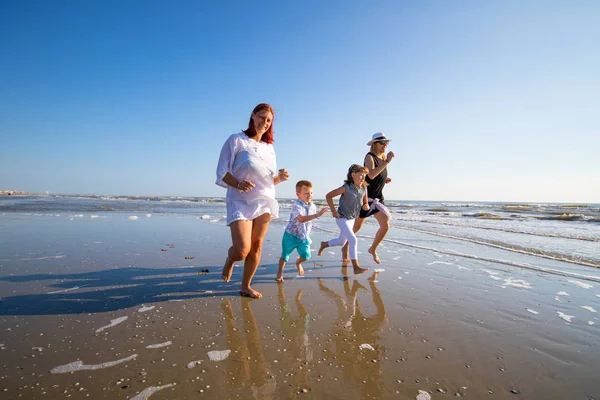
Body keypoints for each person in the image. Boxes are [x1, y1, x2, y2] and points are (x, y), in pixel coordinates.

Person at [215, 103, 289, 299]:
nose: (264, 123)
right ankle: (231, 259)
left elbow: (267, 179)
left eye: (268, 120)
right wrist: (238, 183)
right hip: (239, 199)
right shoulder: (236, 140)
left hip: (264, 199)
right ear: (252, 116)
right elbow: (222, 172)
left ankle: (245, 286)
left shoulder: (269, 148)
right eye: (261, 117)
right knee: (242, 250)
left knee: (257, 246)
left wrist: (279, 178)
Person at [342, 132, 394, 265]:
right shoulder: (369, 157)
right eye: (382, 143)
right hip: (365, 197)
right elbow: (370, 175)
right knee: (357, 227)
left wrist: (384, 179)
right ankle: (345, 246)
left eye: (386, 143)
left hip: (378, 197)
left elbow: (377, 176)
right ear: (374, 144)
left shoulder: (382, 158)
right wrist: (387, 161)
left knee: (385, 224)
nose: (385, 145)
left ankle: (372, 249)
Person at [318, 164, 370, 274]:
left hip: (352, 219)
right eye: (361, 175)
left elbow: (365, 201)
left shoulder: (363, 188)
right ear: (353, 174)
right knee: (353, 239)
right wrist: (334, 211)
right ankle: (356, 267)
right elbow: (329, 196)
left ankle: (324, 244)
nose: (362, 178)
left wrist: (366, 205)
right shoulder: (345, 188)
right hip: (341, 218)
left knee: (341, 242)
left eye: (364, 176)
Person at [276, 180, 327, 283]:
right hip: (291, 235)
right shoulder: (296, 205)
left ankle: (298, 263)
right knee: (285, 255)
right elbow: (301, 219)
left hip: (303, 236)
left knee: (306, 255)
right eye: (306, 193)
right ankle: (280, 272)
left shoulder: (313, 206)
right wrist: (317, 215)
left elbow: (309, 221)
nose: (310, 195)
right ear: (298, 194)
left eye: (311, 193)